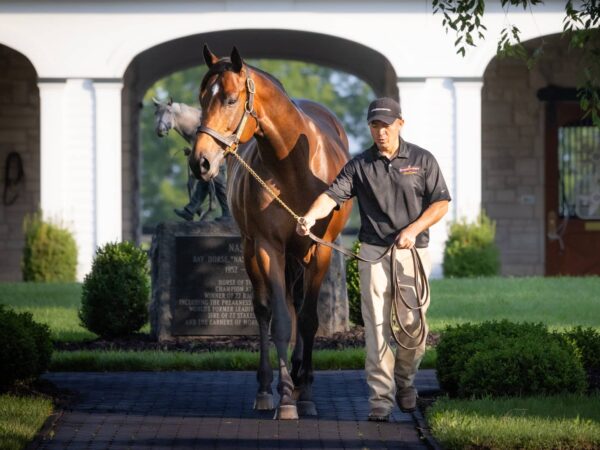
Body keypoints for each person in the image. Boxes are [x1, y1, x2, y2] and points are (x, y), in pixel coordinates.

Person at [296, 97, 450, 422]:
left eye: (386, 125)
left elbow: (440, 204)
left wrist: (413, 229)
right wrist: (309, 217)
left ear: (400, 124)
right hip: (373, 254)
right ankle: (380, 398)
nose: (380, 132)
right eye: (374, 126)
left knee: (414, 329)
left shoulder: (423, 160)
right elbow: (331, 196)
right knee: (377, 328)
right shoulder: (359, 165)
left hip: (412, 252)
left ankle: (405, 381)